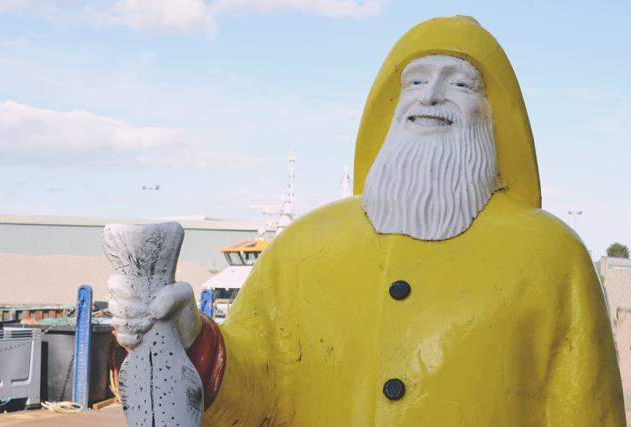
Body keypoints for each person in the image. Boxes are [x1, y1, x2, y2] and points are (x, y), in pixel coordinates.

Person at [109, 15, 626, 426]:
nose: (431, 95)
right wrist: (192, 336)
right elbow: (258, 384)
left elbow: (584, 407)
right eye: (416, 80)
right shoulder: (304, 244)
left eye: (461, 82)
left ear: (493, 112)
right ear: (391, 105)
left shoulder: (551, 254)